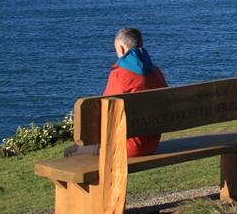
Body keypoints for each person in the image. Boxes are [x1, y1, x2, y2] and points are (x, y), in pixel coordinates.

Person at [63, 27, 169, 158]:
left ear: (121, 48)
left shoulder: (120, 76)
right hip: (152, 144)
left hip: (126, 146)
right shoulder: (156, 72)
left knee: (70, 152)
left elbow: (103, 111)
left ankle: (99, 179)